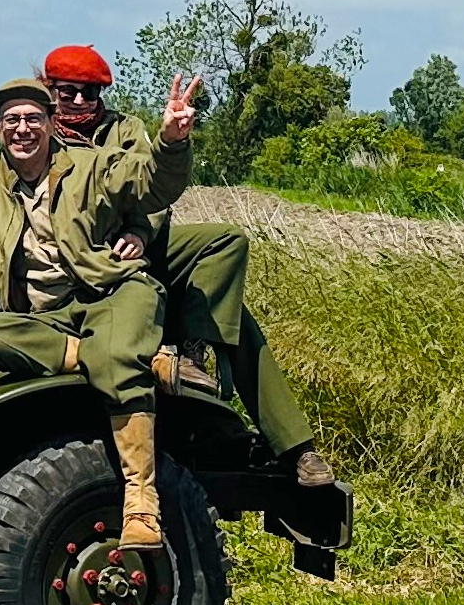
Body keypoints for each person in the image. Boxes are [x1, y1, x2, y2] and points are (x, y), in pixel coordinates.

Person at [0, 75, 199, 547]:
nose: (23, 129)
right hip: (40, 318)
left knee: (114, 356)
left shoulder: (91, 168)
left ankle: (141, 502)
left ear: (51, 124)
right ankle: (137, 357)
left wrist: (170, 141)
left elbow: (149, 183)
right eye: (12, 120)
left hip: (108, 292)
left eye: (33, 118)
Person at [41, 45, 334, 488]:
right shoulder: (37, 133)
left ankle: (199, 359)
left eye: (91, 92)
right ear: (50, 91)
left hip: (133, 253)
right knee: (237, 319)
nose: (81, 102)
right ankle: (277, 440)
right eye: (69, 93)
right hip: (76, 264)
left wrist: (141, 231)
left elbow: (153, 186)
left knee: (225, 244)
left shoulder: (124, 129)